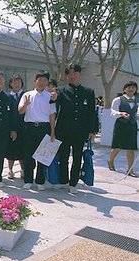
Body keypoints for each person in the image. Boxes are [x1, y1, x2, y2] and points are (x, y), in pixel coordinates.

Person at [51, 63, 96, 194]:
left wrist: (92, 130)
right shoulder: (61, 90)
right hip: (63, 130)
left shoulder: (88, 92)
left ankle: (73, 182)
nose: (72, 76)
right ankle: (64, 180)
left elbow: (91, 113)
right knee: (63, 157)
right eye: (69, 73)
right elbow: (53, 102)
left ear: (79, 74)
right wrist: (53, 98)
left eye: (75, 73)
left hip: (80, 131)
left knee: (77, 157)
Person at [18, 71, 56, 190]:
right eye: (40, 80)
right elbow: (20, 111)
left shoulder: (49, 96)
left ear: (47, 82)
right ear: (35, 81)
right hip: (29, 127)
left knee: (42, 156)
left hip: (44, 128)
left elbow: (52, 115)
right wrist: (26, 105)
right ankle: (28, 180)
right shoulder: (27, 95)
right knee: (28, 154)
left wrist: (52, 131)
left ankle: (40, 181)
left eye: (45, 80)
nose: (42, 82)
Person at [108, 81, 138, 177]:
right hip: (121, 125)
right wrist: (121, 114)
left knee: (131, 148)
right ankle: (110, 161)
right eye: (129, 87)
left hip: (132, 125)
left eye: (133, 87)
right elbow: (112, 112)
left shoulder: (137, 100)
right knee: (117, 146)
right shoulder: (118, 99)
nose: (131, 89)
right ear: (124, 89)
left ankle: (130, 170)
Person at [6, 74, 25, 179]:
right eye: (14, 82)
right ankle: (10, 170)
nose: (16, 84)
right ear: (10, 84)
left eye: (18, 81)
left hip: (24, 127)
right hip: (11, 128)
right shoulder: (8, 97)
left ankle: (23, 170)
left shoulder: (26, 95)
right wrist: (11, 129)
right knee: (11, 150)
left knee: (23, 150)